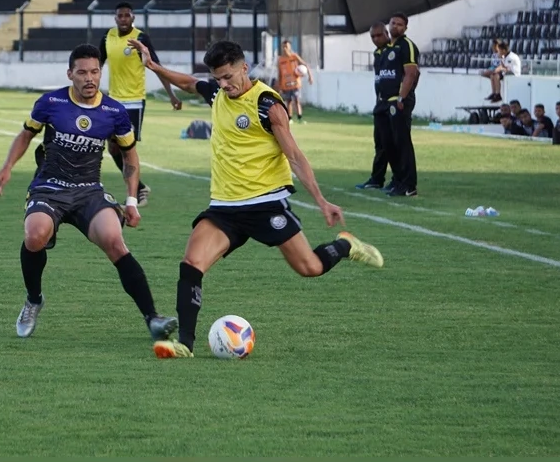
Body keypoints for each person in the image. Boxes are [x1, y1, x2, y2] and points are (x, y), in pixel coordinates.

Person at [133, 39, 385, 359]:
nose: (223, 85)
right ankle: (185, 344)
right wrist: (154, 67)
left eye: (228, 77)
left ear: (244, 68)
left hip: (265, 204)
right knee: (191, 264)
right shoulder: (217, 94)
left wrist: (321, 200)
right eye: (218, 79)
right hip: (225, 208)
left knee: (309, 267)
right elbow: (189, 83)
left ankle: (345, 245)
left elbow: (294, 156)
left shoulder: (268, 104)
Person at [0, 43, 178, 343]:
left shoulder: (114, 112)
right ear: (70, 74)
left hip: (89, 191)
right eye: (82, 73)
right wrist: (7, 167)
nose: (89, 78)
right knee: (35, 236)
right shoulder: (51, 102)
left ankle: (153, 318)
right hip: (49, 188)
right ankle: (33, 300)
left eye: (94, 72)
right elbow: (26, 135)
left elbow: (129, 155)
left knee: (115, 240)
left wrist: (131, 200)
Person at [96, 2, 182, 206]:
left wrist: (171, 94)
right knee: (113, 148)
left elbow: (156, 66)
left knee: (127, 149)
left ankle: (134, 195)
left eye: (127, 15)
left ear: (133, 18)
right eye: (120, 15)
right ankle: (141, 187)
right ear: (115, 18)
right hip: (113, 101)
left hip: (134, 102)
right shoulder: (107, 37)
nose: (123, 19)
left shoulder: (140, 39)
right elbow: (96, 65)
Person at [372, 13, 421, 197]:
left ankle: (409, 185)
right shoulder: (386, 49)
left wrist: (402, 97)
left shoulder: (406, 45)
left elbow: (412, 73)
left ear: (405, 28)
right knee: (388, 143)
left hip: (398, 102)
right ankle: (398, 180)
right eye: (393, 23)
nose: (396, 27)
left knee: (402, 142)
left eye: (400, 24)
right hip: (384, 102)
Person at [356, 23, 395, 191]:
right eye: (373, 36)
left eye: (379, 35)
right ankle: (377, 178)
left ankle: (398, 179)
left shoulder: (394, 50)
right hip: (380, 104)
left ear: (386, 33)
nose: (376, 39)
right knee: (379, 143)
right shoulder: (377, 54)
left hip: (392, 103)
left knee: (391, 143)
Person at [275, 40, 314, 123]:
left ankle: (300, 118)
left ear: (290, 47)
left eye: (286, 46)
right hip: (285, 84)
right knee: (288, 101)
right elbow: (279, 74)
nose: (285, 48)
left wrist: (310, 76)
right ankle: (290, 118)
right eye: (283, 47)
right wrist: (279, 85)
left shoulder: (294, 56)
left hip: (296, 83)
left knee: (297, 100)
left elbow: (305, 65)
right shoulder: (280, 60)